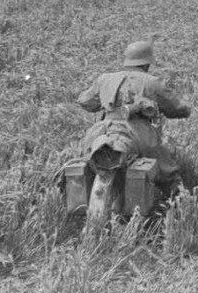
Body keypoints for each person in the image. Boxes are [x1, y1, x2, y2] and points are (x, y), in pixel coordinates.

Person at [76, 40, 191, 194]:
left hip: (101, 131)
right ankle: (181, 204)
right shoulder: (152, 83)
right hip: (138, 134)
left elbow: (84, 102)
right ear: (147, 63)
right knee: (167, 172)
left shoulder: (104, 79)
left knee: (83, 161)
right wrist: (185, 110)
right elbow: (177, 109)